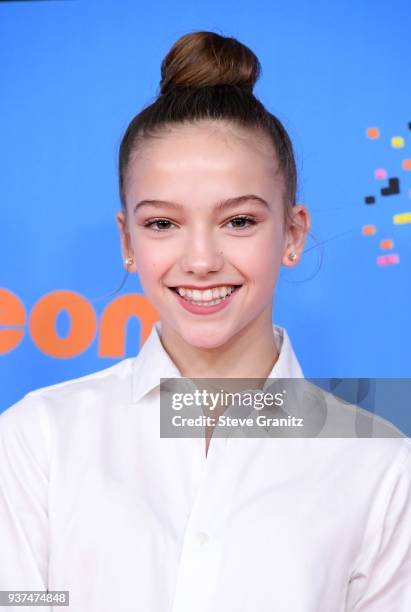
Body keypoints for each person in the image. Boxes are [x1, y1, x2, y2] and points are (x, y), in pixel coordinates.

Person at [1, 30, 410, 612]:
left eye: (238, 221)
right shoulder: (39, 440)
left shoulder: (381, 464)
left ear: (292, 234)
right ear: (127, 240)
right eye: (162, 223)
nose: (199, 261)